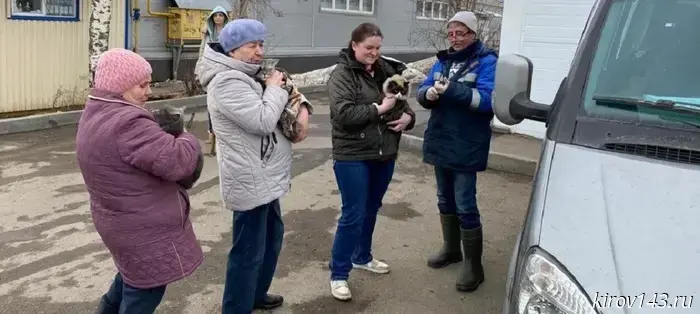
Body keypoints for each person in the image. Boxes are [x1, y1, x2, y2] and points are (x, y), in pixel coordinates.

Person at [195, 19, 312, 313]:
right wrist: (275, 88)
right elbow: (261, 121)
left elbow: (284, 97)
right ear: (234, 49)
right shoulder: (225, 81)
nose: (260, 51)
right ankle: (236, 307)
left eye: (261, 44)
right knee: (247, 251)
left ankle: (256, 294)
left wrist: (297, 100)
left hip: (264, 174)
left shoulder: (245, 73)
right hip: (249, 179)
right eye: (253, 45)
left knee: (270, 240)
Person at [75, 48, 204, 313]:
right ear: (121, 86)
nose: (149, 92)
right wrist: (185, 135)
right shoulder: (129, 121)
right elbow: (180, 162)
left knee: (128, 280)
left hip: (120, 223)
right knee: (143, 293)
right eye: (142, 85)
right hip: (144, 231)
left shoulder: (97, 110)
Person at [326, 22, 416, 301]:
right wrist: (381, 108)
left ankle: (362, 257)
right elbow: (343, 114)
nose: (374, 53)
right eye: (368, 48)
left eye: (377, 48)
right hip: (352, 153)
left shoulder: (387, 71)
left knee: (371, 208)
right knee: (353, 212)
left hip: (384, 151)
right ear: (354, 45)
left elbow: (403, 101)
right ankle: (338, 274)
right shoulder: (342, 74)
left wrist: (408, 118)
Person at [415, 11, 498, 293]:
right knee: (443, 198)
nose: (455, 38)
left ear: (473, 34)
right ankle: (451, 250)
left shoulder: (487, 62)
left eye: (461, 33)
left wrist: (451, 90)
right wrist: (428, 95)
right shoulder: (442, 60)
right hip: (440, 139)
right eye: (451, 33)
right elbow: (423, 89)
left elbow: (487, 101)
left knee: (465, 203)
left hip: (467, 142)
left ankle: (474, 266)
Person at [197, 6, 230, 148]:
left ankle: (223, 135)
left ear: (224, 18)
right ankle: (211, 133)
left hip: (224, 70)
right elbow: (202, 50)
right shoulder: (208, 32)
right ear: (212, 18)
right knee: (211, 102)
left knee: (223, 103)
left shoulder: (229, 32)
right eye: (215, 15)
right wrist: (199, 68)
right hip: (210, 70)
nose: (218, 18)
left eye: (220, 15)